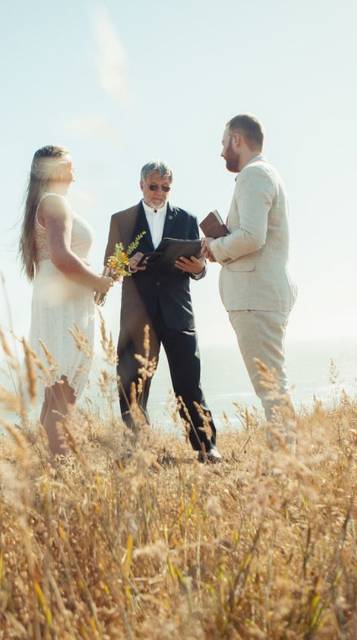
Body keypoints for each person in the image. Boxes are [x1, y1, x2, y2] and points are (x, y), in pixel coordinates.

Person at [105, 161, 222, 463]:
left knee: (188, 381)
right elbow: (109, 267)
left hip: (177, 312)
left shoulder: (187, 219)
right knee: (132, 383)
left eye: (165, 187)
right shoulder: (121, 219)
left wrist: (199, 270)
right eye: (153, 186)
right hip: (136, 315)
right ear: (141, 185)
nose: (159, 193)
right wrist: (125, 264)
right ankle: (137, 449)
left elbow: (200, 267)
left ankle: (206, 447)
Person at [201, 114, 296, 444]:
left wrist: (214, 247)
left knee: (269, 385)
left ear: (237, 140)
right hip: (260, 294)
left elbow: (253, 236)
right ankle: (285, 460)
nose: (221, 151)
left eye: (223, 142)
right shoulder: (261, 174)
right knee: (270, 382)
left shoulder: (253, 175)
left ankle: (285, 462)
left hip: (256, 297)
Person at [19, 145, 113, 456]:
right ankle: (60, 469)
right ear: (56, 171)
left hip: (56, 298)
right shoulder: (55, 203)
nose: (74, 173)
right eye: (69, 167)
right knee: (63, 393)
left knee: (55, 394)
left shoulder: (42, 203)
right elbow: (61, 257)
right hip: (64, 302)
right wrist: (98, 281)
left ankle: (50, 466)